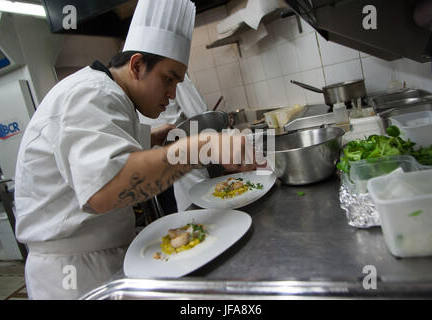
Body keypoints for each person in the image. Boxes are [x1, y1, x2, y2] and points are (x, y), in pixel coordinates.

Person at [14, 0, 254, 299]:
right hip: (74, 271)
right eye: (168, 79)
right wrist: (202, 147)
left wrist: (150, 137)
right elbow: (104, 190)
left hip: (99, 255)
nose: (172, 94)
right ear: (137, 65)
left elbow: (100, 147)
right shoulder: (91, 93)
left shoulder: (107, 92)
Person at [139, 73, 210, 212]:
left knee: (183, 218)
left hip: (152, 163)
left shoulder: (135, 83)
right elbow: (199, 112)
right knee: (200, 213)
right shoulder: (174, 73)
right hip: (180, 157)